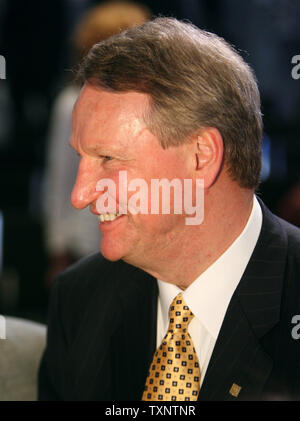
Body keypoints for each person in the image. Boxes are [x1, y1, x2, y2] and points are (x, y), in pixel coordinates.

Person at [38, 17, 300, 401]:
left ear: (201, 157)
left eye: (109, 158)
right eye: (81, 158)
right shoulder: (79, 300)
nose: (80, 195)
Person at [43, 1, 151, 286]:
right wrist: (58, 248)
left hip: (138, 243)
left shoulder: (151, 102)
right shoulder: (71, 104)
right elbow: (60, 177)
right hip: (86, 239)